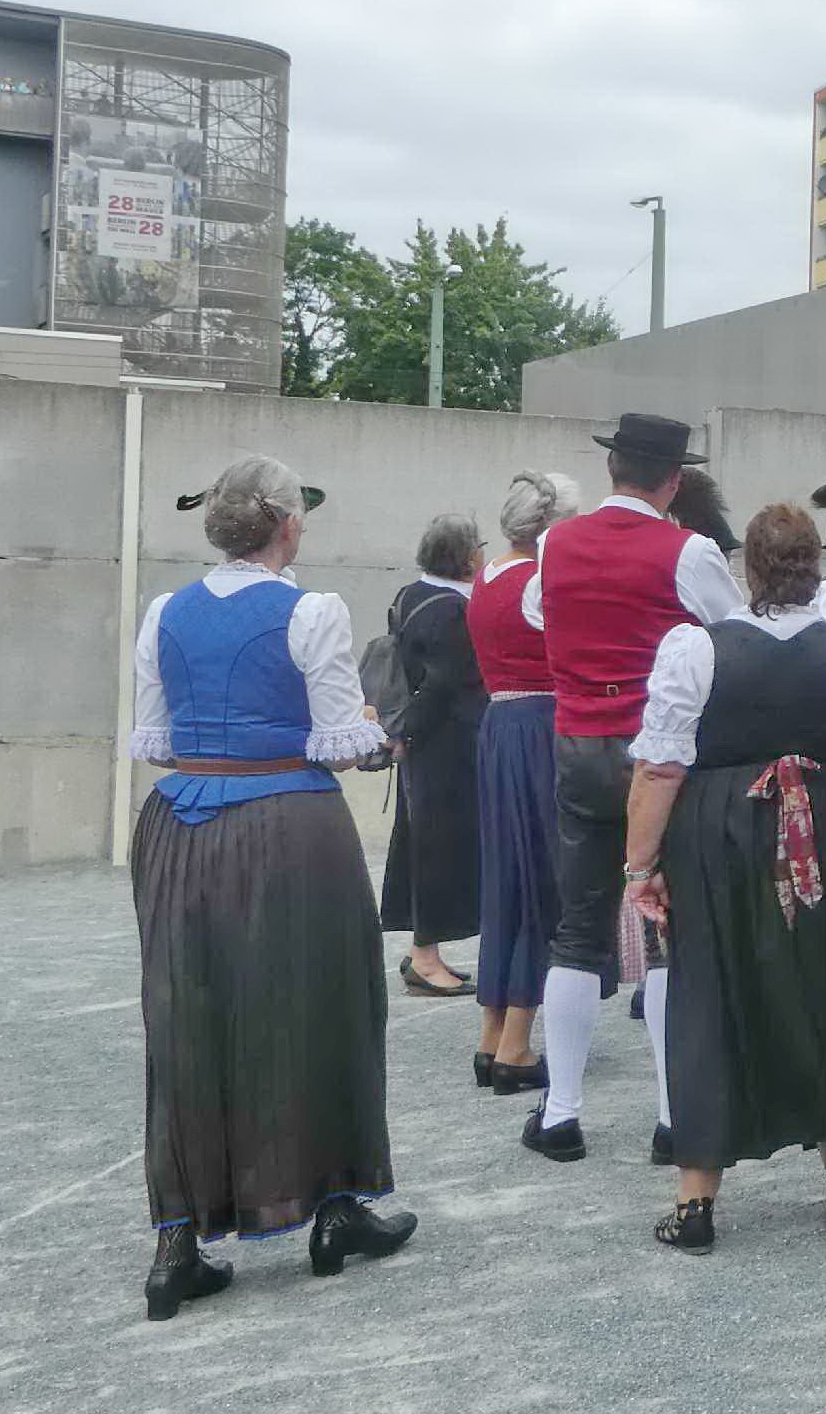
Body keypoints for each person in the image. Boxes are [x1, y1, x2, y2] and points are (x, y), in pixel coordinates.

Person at [125, 458, 413, 1320]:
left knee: (185, 1015)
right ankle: (336, 1208)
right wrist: (373, 735)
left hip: (179, 823)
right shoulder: (312, 611)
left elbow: (156, 739)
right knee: (325, 1004)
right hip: (289, 825)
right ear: (286, 524)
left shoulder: (164, 611)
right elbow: (337, 741)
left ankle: (178, 1242)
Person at [622, 504, 826, 1252]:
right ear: (819, 565)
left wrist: (641, 866)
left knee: (711, 994)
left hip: (719, 834)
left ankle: (696, 1203)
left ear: (750, 571)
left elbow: (660, 769)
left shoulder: (696, 648)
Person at [521, 411, 747, 1163]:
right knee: (666, 935)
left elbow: (535, 611)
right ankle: (673, 1117)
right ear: (674, 481)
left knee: (577, 930)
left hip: (577, 743)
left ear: (612, 468)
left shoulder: (556, 543)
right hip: (659, 751)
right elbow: (732, 636)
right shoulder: (689, 550)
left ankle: (561, 1113)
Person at [467, 470, 576, 1093]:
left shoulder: (486, 577)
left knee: (505, 877)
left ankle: (492, 1034)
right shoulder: (541, 580)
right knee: (540, 877)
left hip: (499, 725)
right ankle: (516, 1042)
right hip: (541, 725)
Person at [381, 514, 487, 1002]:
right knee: (438, 849)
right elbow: (442, 685)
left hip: (423, 743)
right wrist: (408, 733)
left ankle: (425, 953)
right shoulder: (454, 611)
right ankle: (425, 958)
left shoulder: (411, 595)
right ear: (465, 557)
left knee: (421, 842)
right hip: (445, 744)